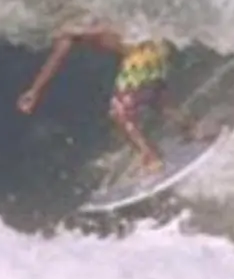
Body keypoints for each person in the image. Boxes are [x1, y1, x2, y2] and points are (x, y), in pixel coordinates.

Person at [16, 15, 209, 175]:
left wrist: (34, 90)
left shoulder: (68, 30)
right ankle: (193, 129)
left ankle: (150, 157)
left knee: (119, 111)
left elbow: (55, 60)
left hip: (139, 56)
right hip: (156, 46)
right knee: (156, 98)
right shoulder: (87, 14)